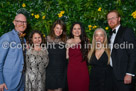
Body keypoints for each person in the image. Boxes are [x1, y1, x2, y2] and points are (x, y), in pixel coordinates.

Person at [107, 10, 136, 91]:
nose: (110, 21)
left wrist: (129, 73)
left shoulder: (126, 31)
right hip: (113, 76)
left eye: (113, 18)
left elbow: (133, 53)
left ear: (119, 19)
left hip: (125, 76)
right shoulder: (110, 34)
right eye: (108, 19)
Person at [0, 13, 27, 91]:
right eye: (19, 21)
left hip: (22, 81)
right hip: (9, 82)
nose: (22, 24)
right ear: (14, 22)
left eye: (24, 22)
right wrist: (0, 81)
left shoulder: (24, 39)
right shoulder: (7, 37)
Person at [66, 22, 89, 91]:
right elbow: (67, 56)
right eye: (74, 29)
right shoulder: (68, 41)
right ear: (72, 30)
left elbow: (88, 56)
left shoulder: (86, 41)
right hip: (71, 71)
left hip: (83, 71)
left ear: (81, 30)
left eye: (79, 29)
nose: (76, 31)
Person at [46, 20, 67, 91]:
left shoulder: (66, 40)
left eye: (61, 29)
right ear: (53, 28)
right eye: (57, 28)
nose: (59, 30)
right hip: (49, 71)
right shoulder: (46, 39)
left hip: (61, 72)